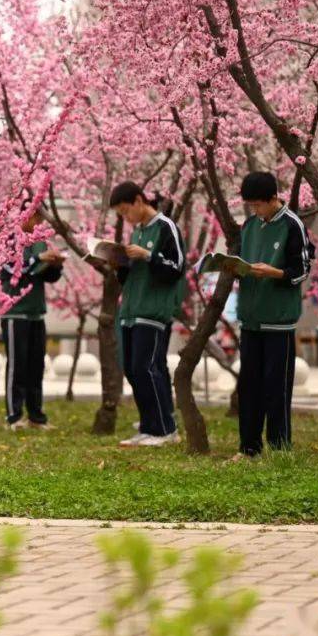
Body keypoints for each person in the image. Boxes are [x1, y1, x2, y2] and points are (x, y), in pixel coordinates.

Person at [234, 171, 314, 459]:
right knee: (248, 387)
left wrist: (275, 273)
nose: (255, 211)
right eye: (251, 206)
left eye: (258, 205)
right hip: (250, 319)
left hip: (278, 321)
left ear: (272, 198)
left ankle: (280, 449)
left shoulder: (292, 225)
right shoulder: (249, 226)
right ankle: (249, 449)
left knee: (276, 388)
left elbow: (302, 269)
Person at [110, 181, 186, 447]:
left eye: (125, 210)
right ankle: (148, 426)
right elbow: (131, 275)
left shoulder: (166, 227)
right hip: (131, 309)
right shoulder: (137, 232)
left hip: (152, 310)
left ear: (139, 200)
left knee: (147, 368)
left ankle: (165, 430)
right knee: (132, 369)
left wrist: (149, 255)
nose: (125, 217)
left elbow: (176, 268)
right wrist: (119, 264)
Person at [0, 205, 65, 430]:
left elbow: (46, 276)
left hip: (37, 312)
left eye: (41, 217)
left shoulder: (40, 241)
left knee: (36, 367)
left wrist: (55, 266)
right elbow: (12, 270)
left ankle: (36, 417)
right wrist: (39, 257)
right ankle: (14, 416)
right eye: (36, 216)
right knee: (16, 367)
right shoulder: (9, 240)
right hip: (15, 313)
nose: (39, 222)